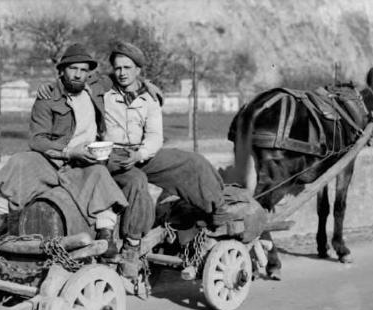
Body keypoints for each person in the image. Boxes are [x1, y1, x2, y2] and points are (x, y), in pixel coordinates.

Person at [38, 42, 234, 279]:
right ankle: (132, 246)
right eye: (118, 67)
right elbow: (71, 83)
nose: (122, 72)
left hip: (140, 153)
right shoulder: (102, 89)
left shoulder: (149, 98)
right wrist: (50, 87)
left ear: (138, 70)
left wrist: (140, 154)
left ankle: (217, 209)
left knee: (192, 162)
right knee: (136, 181)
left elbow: (154, 136)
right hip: (111, 156)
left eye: (128, 67)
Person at [0, 43, 128, 259]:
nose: (78, 75)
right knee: (20, 161)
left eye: (84, 70)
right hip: (54, 161)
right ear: (62, 70)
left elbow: (128, 78)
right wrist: (68, 152)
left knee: (101, 175)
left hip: (84, 164)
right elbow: (37, 140)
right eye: (73, 69)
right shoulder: (47, 96)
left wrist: (151, 88)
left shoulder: (96, 85)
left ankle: (106, 235)